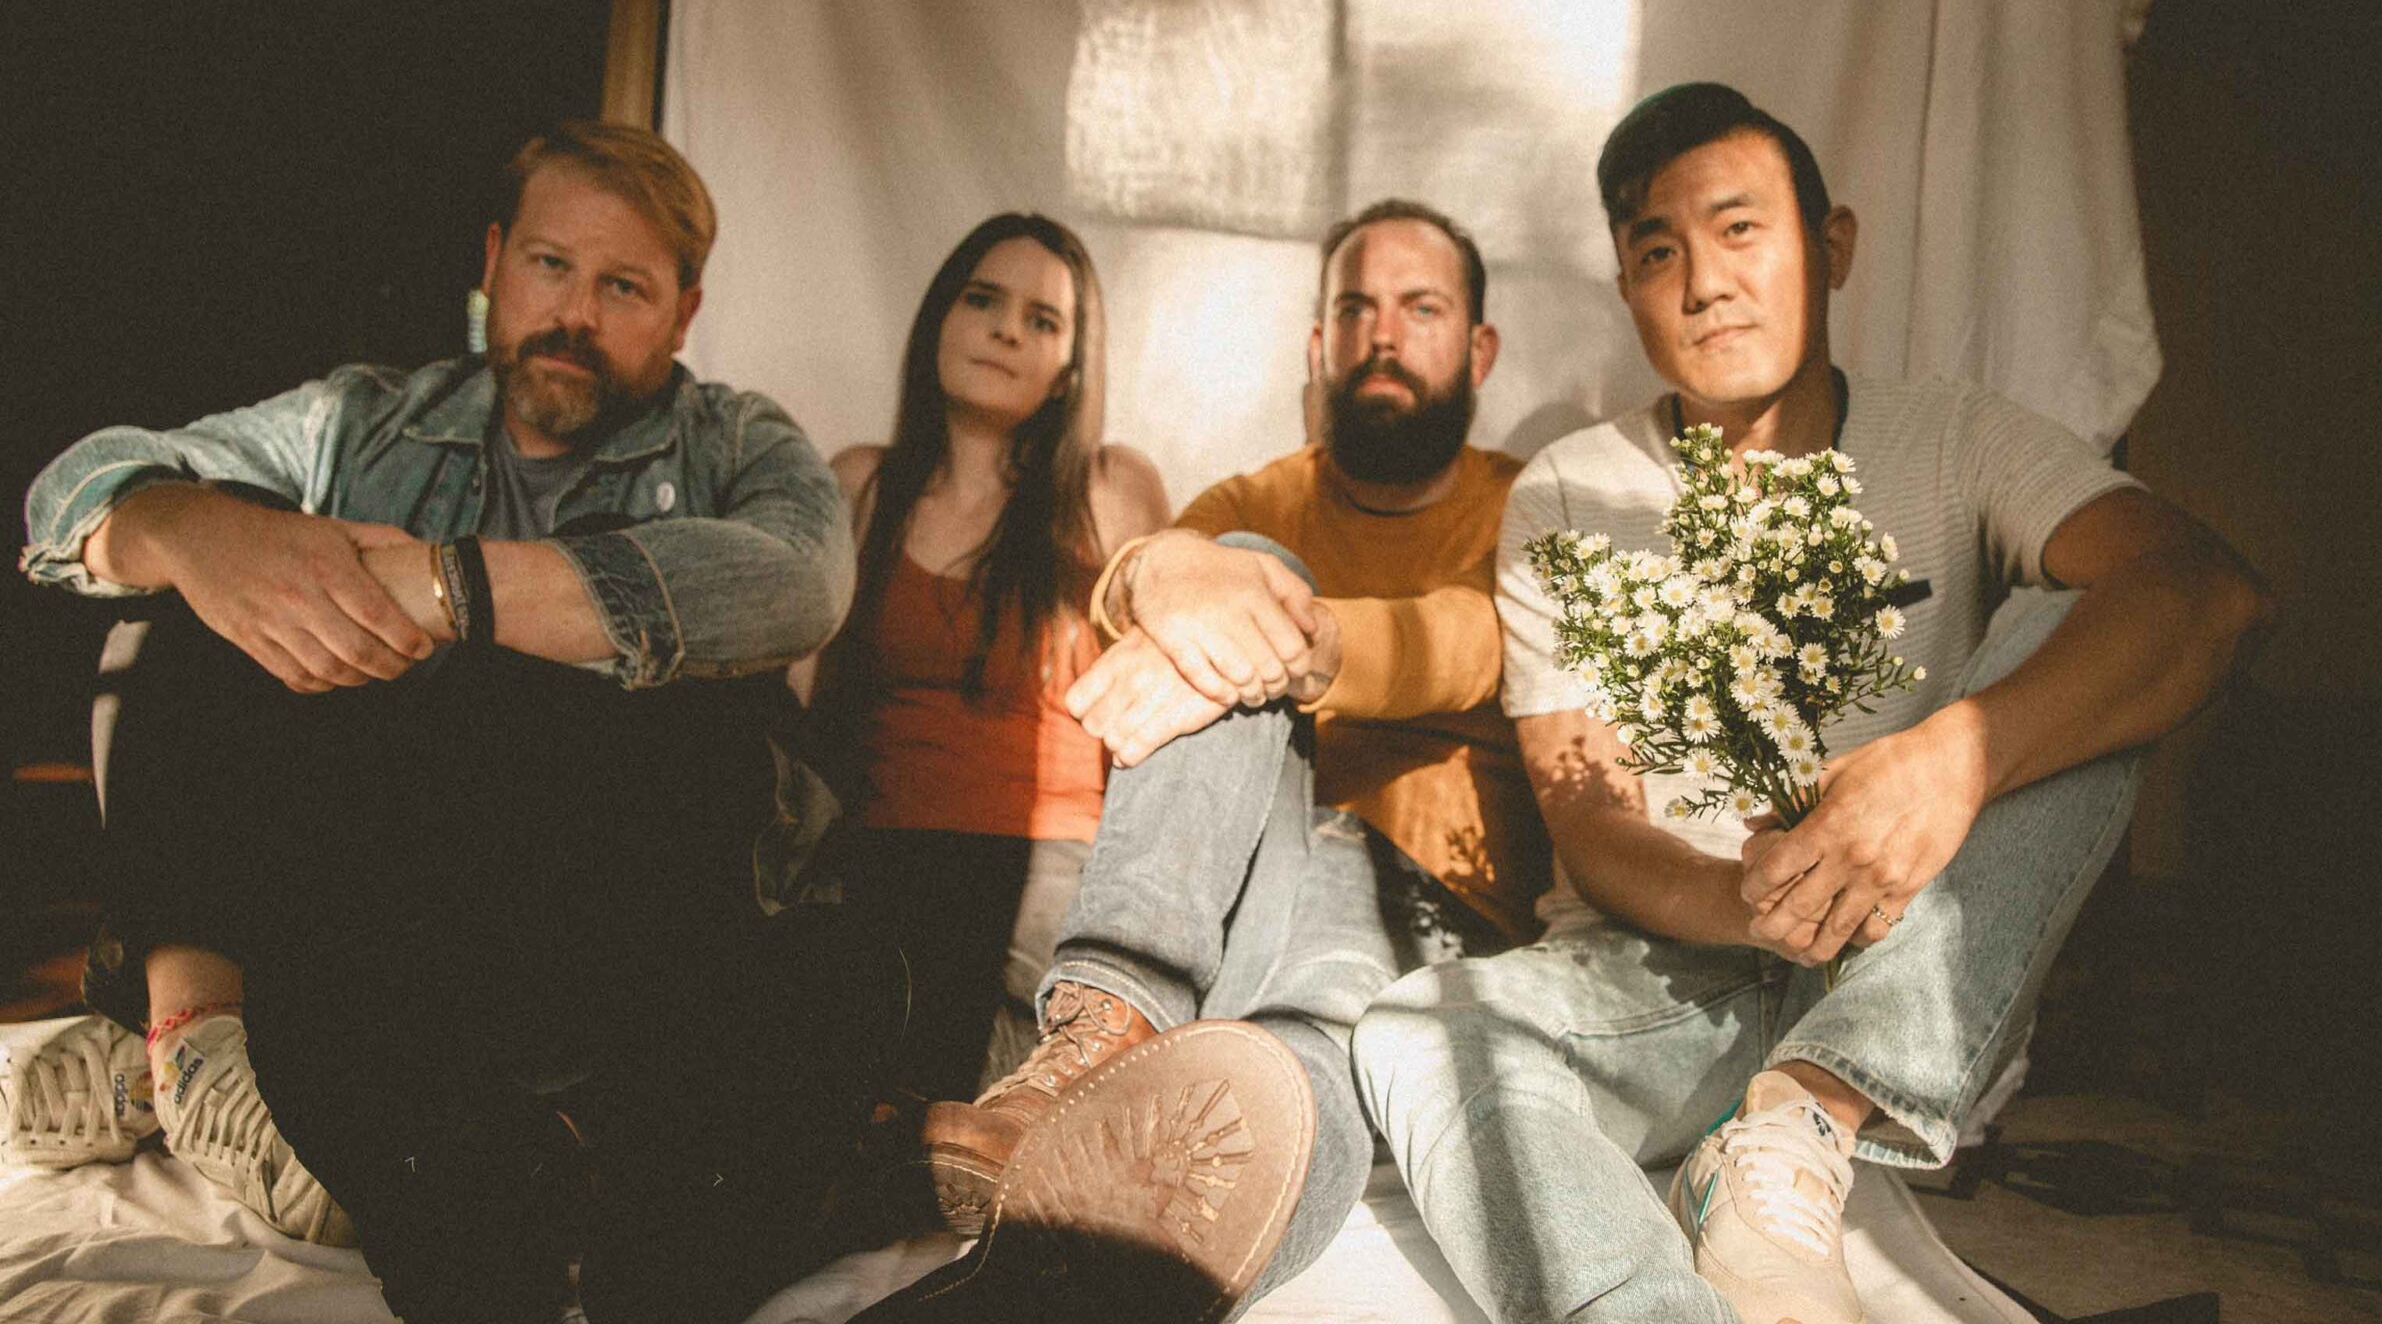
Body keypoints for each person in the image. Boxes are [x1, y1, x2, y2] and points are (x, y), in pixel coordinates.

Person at [1351, 83, 2269, 1324]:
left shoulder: (1954, 437)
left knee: (2096, 627)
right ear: (1626, 288)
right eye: (1656, 253)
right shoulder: (1572, 491)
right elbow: (1591, 818)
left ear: (1829, 245)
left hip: (1910, 966)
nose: (1703, 284)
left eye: (1739, 229)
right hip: (1665, 976)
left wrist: (1951, 757)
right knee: (1421, 1028)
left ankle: (1800, 1122)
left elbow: (2208, 594)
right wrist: (1749, 897)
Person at [5, 120, 908, 1324]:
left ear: (684, 313)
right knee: (169, 622)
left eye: (624, 286)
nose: (574, 313)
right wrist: (186, 527)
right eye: (549, 265)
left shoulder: (732, 439)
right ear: (492, 262)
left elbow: (801, 582)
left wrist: (452, 587)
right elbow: (77, 487)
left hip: (594, 895)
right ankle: (198, 1044)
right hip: (366, 874)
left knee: (647, 710)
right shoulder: (362, 419)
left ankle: (218, 1053)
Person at [861, 200, 1549, 1322]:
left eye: (1420, 310)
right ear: (1318, 345)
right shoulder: (1257, 499)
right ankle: (1101, 1030)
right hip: (1243, 896)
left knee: (1301, 1058)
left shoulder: (1528, 503)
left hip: (1428, 902)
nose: (1382, 335)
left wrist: (1276, 635)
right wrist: (1160, 574)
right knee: (1237, 560)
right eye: (1355, 309)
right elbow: (1150, 582)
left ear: (1478, 350)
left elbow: (1472, 642)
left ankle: (1049, 1289)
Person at [801, 213, 1167, 1104]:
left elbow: (1163, 714)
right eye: (982, 301)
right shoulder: (861, 485)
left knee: (988, 1089)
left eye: (1042, 321)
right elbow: (797, 706)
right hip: (877, 857)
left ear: (1071, 368)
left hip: (1049, 866)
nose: (1005, 330)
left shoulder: (1109, 490)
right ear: (938, 319)